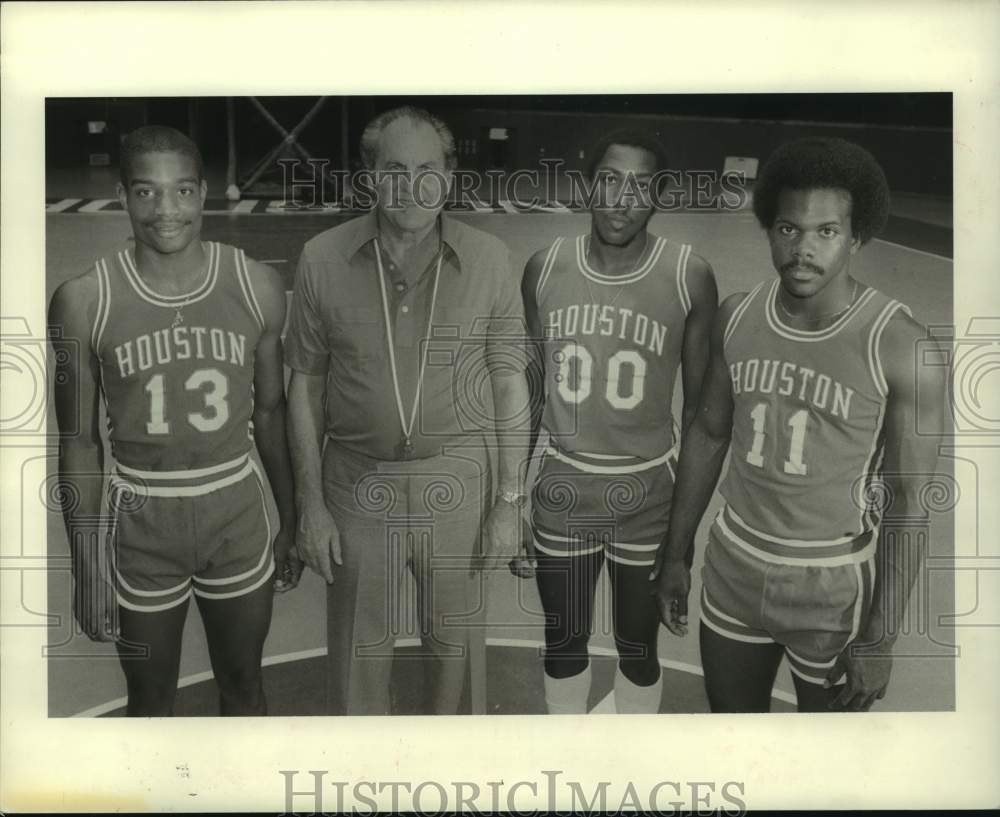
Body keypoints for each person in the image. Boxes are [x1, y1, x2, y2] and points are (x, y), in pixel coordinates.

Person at [653, 136, 946, 712]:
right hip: (734, 565)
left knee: (826, 765)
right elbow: (710, 434)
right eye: (788, 229)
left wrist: (882, 636)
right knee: (735, 734)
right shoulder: (737, 316)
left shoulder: (901, 346)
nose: (803, 249)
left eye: (826, 232)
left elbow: (911, 501)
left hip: (831, 585)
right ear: (768, 228)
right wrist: (674, 553)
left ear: (857, 236)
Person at [285, 106, 530, 715]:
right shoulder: (321, 258)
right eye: (395, 168)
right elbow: (304, 387)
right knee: (358, 657)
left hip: (460, 483)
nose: (413, 185)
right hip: (356, 483)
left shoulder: (491, 260)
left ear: (448, 177)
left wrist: (509, 503)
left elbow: (508, 387)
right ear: (370, 176)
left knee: (456, 652)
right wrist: (310, 505)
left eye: (428, 168)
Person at [49, 125, 299, 716]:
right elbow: (80, 442)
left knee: (244, 687)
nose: (167, 210)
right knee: (151, 702)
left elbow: (270, 411)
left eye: (182, 192)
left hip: (235, 515)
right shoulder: (85, 301)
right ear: (122, 195)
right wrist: (86, 567)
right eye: (147, 192)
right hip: (142, 522)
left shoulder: (256, 285)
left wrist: (289, 518)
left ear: (203, 192)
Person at [518, 129, 718, 714]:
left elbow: (702, 416)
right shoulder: (544, 267)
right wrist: (508, 498)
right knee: (562, 646)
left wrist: (681, 546)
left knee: (638, 647)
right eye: (609, 180)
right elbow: (530, 393)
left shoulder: (689, 275)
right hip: (563, 483)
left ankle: (629, 760)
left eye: (640, 186)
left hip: (648, 491)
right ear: (589, 185)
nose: (621, 199)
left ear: (659, 197)